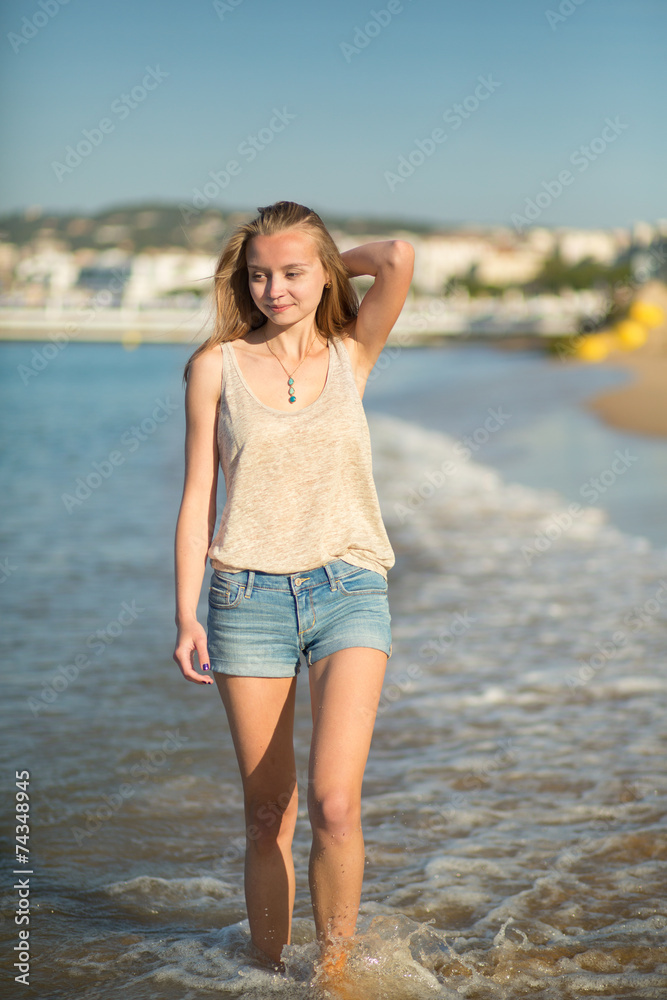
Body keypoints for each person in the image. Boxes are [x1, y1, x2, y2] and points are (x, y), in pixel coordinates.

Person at [172, 200, 414, 973]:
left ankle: (334, 979)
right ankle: (267, 975)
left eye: (291, 272)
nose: (274, 289)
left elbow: (401, 255)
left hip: (349, 585)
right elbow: (196, 497)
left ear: (323, 272)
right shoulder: (214, 366)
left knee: (335, 805)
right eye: (258, 275)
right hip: (246, 599)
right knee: (266, 813)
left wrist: (333, 259)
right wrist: (185, 615)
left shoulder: (353, 352)